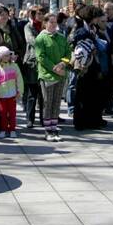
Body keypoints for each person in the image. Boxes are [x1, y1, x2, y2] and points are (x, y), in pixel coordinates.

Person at [71, 5, 109, 131]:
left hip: (93, 64)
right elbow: (77, 44)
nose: (98, 19)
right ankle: (80, 121)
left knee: (91, 94)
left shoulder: (92, 28)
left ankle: (91, 120)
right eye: (97, 17)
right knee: (82, 94)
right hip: (84, 65)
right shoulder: (82, 29)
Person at [34, 13, 71, 142]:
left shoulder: (61, 37)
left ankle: (54, 128)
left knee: (56, 102)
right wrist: (55, 68)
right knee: (47, 102)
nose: (54, 25)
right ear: (45, 23)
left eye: (55, 22)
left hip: (60, 75)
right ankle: (47, 130)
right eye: (51, 22)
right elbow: (41, 57)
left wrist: (63, 63)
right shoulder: (41, 38)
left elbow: (68, 52)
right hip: (47, 75)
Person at [0, 45, 24, 138]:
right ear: (0, 57)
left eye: (8, 55)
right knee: (3, 114)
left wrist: (20, 92)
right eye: (5, 55)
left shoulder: (14, 66)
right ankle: (4, 129)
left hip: (12, 95)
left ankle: (12, 129)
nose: (8, 57)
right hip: (1, 96)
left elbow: (19, 79)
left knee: (12, 114)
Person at [22, 6, 45, 129]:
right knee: (32, 94)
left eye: (42, 13)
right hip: (32, 62)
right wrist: (46, 43)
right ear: (33, 15)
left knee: (43, 94)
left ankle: (43, 118)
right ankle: (30, 119)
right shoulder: (28, 26)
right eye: (38, 13)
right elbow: (31, 40)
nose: (40, 16)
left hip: (44, 63)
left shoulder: (45, 26)